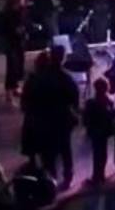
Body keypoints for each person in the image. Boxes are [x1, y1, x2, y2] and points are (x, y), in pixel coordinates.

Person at [43, 44, 79, 190]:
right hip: (63, 118)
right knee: (65, 149)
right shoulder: (67, 78)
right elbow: (74, 99)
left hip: (47, 118)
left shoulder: (42, 76)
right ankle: (68, 177)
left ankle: (50, 179)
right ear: (63, 58)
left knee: (49, 150)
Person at [82, 77, 115, 185]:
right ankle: (101, 175)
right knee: (103, 153)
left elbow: (86, 118)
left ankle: (97, 177)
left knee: (97, 154)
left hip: (95, 131)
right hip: (104, 131)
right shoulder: (108, 101)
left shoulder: (91, 103)